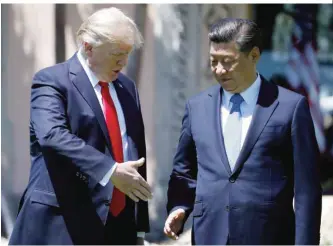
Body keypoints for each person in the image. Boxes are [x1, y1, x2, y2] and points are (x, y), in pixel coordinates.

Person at [165, 18, 322, 245]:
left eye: (228, 62)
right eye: (213, 61)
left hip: (270, 236)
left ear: (254, 56)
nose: (219, 70)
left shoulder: (290, 107)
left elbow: (307, 187)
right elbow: (184, 170)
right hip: (209, 236)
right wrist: (179, 206)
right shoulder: (196, 107)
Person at [9, 7, 152, 245]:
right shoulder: (52, 81)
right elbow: (53, 136)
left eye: (128, 54)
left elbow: (135, 155)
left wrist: (138, 229)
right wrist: (111, 170)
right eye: (117, 54)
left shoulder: (127, 87)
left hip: (118, 229)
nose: (124, 62)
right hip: (60, 226)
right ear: (88, 47)